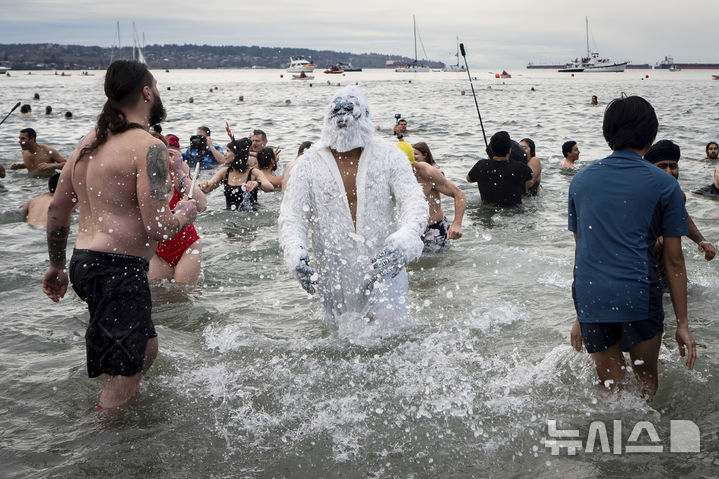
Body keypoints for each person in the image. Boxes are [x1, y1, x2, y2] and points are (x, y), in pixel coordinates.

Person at [41, 59, 198, 409]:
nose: (157, 93)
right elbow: (158, 226)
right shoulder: (149, 147)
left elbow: (57, 210)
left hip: (85, 263)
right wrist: (189, 209)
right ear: (146, 92)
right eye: (155, 87)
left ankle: (124, 410)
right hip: (118, 270)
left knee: (146, 348)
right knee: (123, 380)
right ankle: (102, 440)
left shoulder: (88, 143)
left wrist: (56, 266)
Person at [568, 95, 695, 400]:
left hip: (591, 297)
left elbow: (583, 251)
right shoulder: (665, 185)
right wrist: (683, 324)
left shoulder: (580, 181)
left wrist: (579, 315)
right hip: (637, 294)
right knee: (648, 384)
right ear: (651, 135)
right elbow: (674, 261)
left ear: (607, 132)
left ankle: (608, 444)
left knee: (611, 390)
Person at [278, 86, 428, 321]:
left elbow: (414, 202)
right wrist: (295, 254)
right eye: (335, 109)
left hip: (385, 262)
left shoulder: (389, 155)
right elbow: (291, 216)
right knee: (339, 343)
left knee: (390, 334)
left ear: (364, 113)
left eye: (349, 108)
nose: (342, 115)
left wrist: (406, 239)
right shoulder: (309, 163)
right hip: (334, 271)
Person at [149, 134, 208, 284]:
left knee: (183, 291)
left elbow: (201, 205)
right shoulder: (139, 175)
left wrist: (180, 172)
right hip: (158, 251)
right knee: (159, 293)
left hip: (187, 245)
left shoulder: (176, 169)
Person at [644, 140, 715, 263]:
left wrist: (701, 241)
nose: (669, 172)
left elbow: (682, 216)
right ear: (650, 169)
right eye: (662, 166)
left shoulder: (677, 194)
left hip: (665, 262)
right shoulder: (640, 193)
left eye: (673, 166)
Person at [406, 141, 466, 252]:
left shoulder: (428, 172)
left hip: (433, 228)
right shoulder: (391, 174)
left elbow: (459, 194)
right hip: (410, 230)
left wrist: (456, 224)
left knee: (435, 265)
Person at [199, 137, 274, 210]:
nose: (224, 154)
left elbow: (270, 187)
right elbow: (209, 187)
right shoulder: (224, 172)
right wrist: (203, 185)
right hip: (229, 214)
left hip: (251, 215)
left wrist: (257, 183)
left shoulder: (253, 172)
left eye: (228, 151)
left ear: (237, 154)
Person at [466, 131, 534, 207]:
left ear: (491, 149)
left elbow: (469, 179)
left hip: (488, 209)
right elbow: (530, 182)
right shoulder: (520, 167)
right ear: (510, 150)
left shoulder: (481, 165)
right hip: (513, 211)